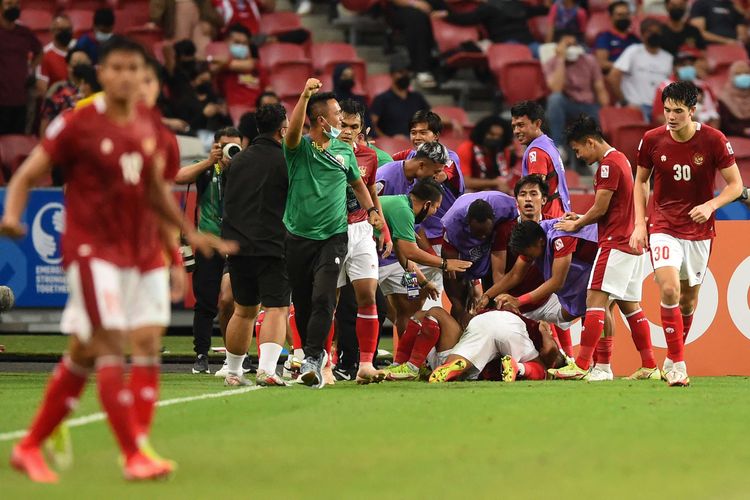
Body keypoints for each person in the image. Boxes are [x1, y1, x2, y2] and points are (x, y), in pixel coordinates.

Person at [2, 36, 230, 483]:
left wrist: (184, 239)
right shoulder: (77, 122)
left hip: (140, 253)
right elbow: (28, 173)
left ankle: (31, 445)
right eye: (119, 69)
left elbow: (155, 193)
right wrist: (12, 215)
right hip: (92, 252)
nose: (128, 78)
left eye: (137, 70)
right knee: (107, 345)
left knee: (133, 345)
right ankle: (133, 454)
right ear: (102, 75)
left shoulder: (149, 126)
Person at [630, 81, 743, 386]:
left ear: (693, 111)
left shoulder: (714, 140)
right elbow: (641, 182)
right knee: (668, 290)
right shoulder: (652, 139)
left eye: (678, 111)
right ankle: (679, 363)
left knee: (689, 302)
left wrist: (711, 205)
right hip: (663, 224)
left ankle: (671, 357)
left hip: (699, 229)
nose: (671, 116)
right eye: (667, 110)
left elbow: (735, 185)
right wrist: (641, 223)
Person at [283, 80, 383, 389]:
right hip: (298, 235)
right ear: (322, 120)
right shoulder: (298, 149)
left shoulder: (344, 150)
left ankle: (315, 359)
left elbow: (357, 184)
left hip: (334, 235)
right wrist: (304, 95)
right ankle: (309, 354)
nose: (342, 119)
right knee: (303, 301)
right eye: (337, 113)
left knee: (324, 297)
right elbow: (292, 130)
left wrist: (372, 211)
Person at [548, 115, 659, 381]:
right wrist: (582, 218)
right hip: (631, 243)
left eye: (578, 150)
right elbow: (610, 206)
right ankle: (650, 365)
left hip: (615, 243)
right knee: (630, 305)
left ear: (589, 142)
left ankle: (586, 364)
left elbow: (601, 207)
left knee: (595, 301)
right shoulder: (621, 159)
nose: (579, 155)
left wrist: (577, 225)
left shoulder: (608, 165)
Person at [221, 103, 291, 386]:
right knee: (276, 308)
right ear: (282, 129)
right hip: (273, 245)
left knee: (243, 309)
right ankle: (267, 370)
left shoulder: (237, 161)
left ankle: (234, 372)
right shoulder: (287, 159)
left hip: (238, 246)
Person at [378, 179, 472, 380]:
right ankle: (343, 359)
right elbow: (411, 251)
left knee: (410, 309)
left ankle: (402, 363)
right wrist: (445, 263)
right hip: (375, 260)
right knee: (365, 307)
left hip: (390, 262)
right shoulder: (403, 210)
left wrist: (421, 282)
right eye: (436, 208)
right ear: (427, 204)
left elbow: (405, 256)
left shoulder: (401, 207)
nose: (434, 214)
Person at [175, 127, 242, 374]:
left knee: (234, 302)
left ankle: (234, 357)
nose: (229, 150)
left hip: (237, 244)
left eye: (235, 146)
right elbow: (179, 177)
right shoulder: (204, 167)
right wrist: (210, 161)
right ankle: (201, 355)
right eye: (224, 145)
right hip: (207, 242)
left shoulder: (244, 167)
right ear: (215, 145)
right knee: (205, 303)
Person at [334, 98, 391, 384]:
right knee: (326, 301)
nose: (347, 130)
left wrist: (384, 229)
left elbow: (370, 191)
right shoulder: (319, 152)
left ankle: (365, 364)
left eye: (353, 126)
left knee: (368, 295)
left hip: (360, 231)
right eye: (342, 124)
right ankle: (320, 362)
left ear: (362, 129)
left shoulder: (369, 156)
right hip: (328, 231)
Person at [440, 192, 518, 327]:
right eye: (477, 233)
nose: (482, 237)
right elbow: (451, 271)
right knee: (459, 302)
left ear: (494, 219)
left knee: (494, 299)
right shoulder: (453, 224)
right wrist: (460, 302)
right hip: (463, 254)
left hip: (498, 243)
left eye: (485, 232)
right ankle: (459, 338)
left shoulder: (506, 206)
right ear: (467, 223)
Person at [428, 310, 565, 383]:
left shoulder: (525, 320)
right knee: (541, 371)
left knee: (458, 365)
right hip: (511, 327)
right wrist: (545, 332)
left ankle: (455, 365)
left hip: (482, 322)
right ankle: (518, 367)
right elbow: (550, 349)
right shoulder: (538, 330)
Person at [544, 30, 609, 146]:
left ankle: (595, 154)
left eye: (574, 45)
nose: (571, 48)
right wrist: (561, 59)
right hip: (568, 105)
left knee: (598, 117)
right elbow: (556, 89)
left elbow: (600, 88)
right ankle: (558, 148)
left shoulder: (589, 60)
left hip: (589, 105)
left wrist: (606, 109)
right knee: (554, 100)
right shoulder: (551, 63)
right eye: (567, 45)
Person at [510, 101, 571, 218]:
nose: (516, 131)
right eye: (514, 126)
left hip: (546, 220)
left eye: (521, 125)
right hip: (557, 213)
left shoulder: (536, 152)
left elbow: (533, 194)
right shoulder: (548, 144)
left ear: (537, 124)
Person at [608, 18, 674, 121]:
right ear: (642, 35)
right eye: (650, 32)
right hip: (634, 107)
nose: (654, 34)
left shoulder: (668, 58)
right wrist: (624, 102)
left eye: (657, 32)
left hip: (659, 112)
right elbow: (613, 76)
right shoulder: (633, 51)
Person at [0, 0, 42, 135]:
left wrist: (31, 68)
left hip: (21, 99)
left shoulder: (24, 33)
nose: (13, 7)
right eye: (9, 3)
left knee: (18, 142)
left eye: (16, 3)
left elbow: (39, 51)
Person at [651, 48, 719, 128]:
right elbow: (659, 116)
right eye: (683, 65)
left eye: (691, 64)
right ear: (674, 68)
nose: (688, 68)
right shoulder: (665, 87)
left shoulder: (703, 86)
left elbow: (715, 115)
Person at [370, 55, 431, 137]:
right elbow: (371, 125)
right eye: (400, 72)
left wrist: (451, 122)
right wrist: (388, 140)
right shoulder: (382, 99)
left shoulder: (417, 98)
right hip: (390, 147)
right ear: (392, 75)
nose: (405, 76)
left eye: (407, 73)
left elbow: (431, 118)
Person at [457, 115, 516, 194]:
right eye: (491, 134)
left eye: (499, 136)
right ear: (482, 133)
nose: (495, 138)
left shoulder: (503, 151)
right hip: (470, 194)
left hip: (494, 193)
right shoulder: (466, 148)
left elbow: (505, 178)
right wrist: (495, 182)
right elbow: (465, 182)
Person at [39, 50, 93, 135]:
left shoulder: (97, 90)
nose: (78, 69)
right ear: (68, 67)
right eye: (74, 64)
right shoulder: (57, 89)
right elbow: (46, 119)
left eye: (83, 64)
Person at [215, 24, 268, 110]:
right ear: (226, 42)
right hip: (231, 113)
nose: (240, 47)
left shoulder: (258, 66)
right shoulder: (219, 66)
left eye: (244, 44)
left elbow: (268, 90)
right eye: (237, 42)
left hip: (257, 113)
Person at [149, 0, 222, 58]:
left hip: (202, 13)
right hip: (177, 10)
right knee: (180, 49)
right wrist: (154, 19)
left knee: (202, 49)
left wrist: (209, 20)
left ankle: (201, 72)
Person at [593, 1, 640, 74]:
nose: (624, 18)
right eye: (619, 15)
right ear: (611, 17)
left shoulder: (634, 38)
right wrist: (624, 67)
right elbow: (601, 63)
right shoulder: (605, 37)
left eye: (627, 14)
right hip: (615, 74)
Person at [36, 14, 75, 95]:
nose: (65, 33)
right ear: (52, 32)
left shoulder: (78, 50)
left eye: (68, 29)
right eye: (61, 30)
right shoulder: (44, 55)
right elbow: (42, 91)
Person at [333, 63, 371, 131]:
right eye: (345, 76)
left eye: (351, 76)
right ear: (337, 77)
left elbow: (368, 125)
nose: (348, 79)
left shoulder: (359, 101)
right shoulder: (331, 101)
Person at [718, 60, 750, 137]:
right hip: (734, 140)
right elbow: (725, 126)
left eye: (746, 73)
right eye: (738, 74)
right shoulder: (724, 99)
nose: (743, 76)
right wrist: (743, 131)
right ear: (731, 77)